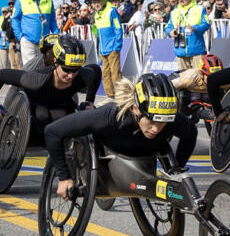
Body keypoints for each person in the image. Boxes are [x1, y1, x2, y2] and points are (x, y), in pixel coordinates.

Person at [43, 73, 198, 199]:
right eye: (151, 120)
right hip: (106, 158)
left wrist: (175, 169)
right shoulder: (111, 116)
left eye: (163, 122)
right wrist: (64, 177)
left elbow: (191, 134)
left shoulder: (171, 119)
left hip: (142, 156)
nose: (156, 128)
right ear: (136, 109)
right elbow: (52, 132)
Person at [0, 34, 102, 145]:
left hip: (59, 104)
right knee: (42, 115)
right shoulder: (36, 77)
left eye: (75, 70)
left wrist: (89, 102)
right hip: (35, 104)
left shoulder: (82, 76)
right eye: (66, 70)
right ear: (56, 63)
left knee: (65, 117)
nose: (71, 76)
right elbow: (0, 76)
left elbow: (96, 70)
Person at [13, 0, 57, 70]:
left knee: (45, 68)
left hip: (45, 42)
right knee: (30, 69)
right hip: (28, 41)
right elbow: (15, 19)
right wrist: (20, 36)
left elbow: (52, 20)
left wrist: (56, 34)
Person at [91, 0, 124, 97]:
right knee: (105, 74)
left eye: (98, 2)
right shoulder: (96, 14)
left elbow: (118, 28)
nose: (96, 4)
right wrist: (94, 29)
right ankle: (110, 96)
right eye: (94, 2)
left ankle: (120, 95)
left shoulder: (111, 11)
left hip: (113, 48)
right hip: (103, 49)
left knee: (115, 74)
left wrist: (117, 45)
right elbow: (98, 33)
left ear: (104, 1)